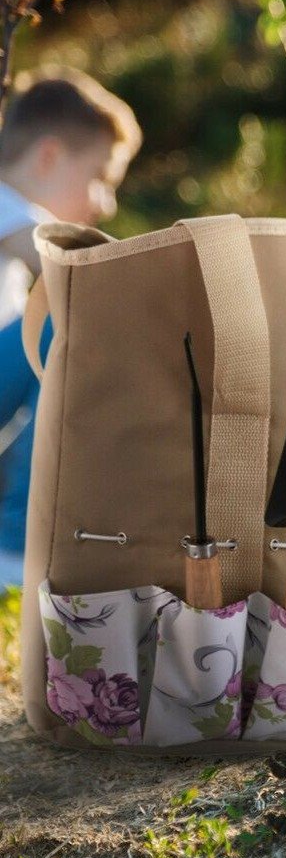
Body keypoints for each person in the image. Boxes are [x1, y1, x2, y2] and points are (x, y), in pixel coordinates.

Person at [0, 68, 141, 587]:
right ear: (49, 157)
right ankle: (14, 545)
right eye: (101, 177)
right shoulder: (6, 206)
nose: (106, 202)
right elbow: (65, 265)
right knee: (64, 322)